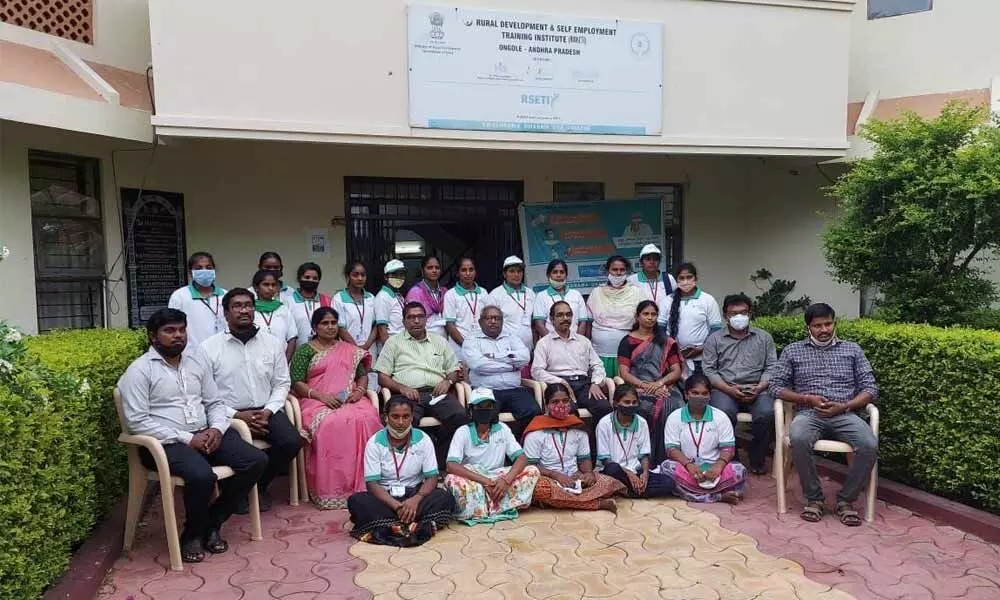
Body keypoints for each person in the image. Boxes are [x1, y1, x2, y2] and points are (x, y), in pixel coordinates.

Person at [118, 308, 267, 563]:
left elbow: (215, 402)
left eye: (181, 330)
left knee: (255, 460)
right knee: (201, 476)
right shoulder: (139, 371)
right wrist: (187, 439)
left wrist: (217, 429)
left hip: (205, 434)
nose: (178, 336)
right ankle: (193, 535)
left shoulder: (196, 363)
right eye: (169, 331)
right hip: (164, 443)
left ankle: (212, 522)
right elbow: (136, 421)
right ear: (153, 337)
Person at [768, 303, 878, 527]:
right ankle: (814, 499)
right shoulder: (793, 350)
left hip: (844, 412)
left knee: (869, 444)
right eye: (817, 326)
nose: (824, 329)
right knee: (798, 438)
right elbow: (775, 387)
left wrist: (845, 406)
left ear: (834, 323)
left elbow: (870, 388)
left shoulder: (852, 350)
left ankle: (846, 500)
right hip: (809, 413)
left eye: (828, 323)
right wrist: (806, 399)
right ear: (809, 328)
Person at [197, 288, 301, 512]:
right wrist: (236, 415)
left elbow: (282, 383)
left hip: (266, 411)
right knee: (234, 452)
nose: (244, 310)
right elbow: (204, 394)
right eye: (237, 306)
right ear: (225, 313)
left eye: (248, 305)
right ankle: (235, 490)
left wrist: (269, 411)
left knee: (291, 441)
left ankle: (259, 486)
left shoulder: (272, 344)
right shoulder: (208, 348)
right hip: (227, 415)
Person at [289, 307, 382, 509]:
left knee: (369, 418)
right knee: (332, 423)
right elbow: (296, 382)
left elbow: (362, 374)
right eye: (325, 323)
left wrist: (359, 391)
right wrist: (321, 396)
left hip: (349, 397)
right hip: (315, 400)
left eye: (333, 323)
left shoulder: (347, 349)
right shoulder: (305, 350)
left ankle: (372, 484)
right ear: (315, 327)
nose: (330, 327)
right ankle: (334, 490)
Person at [348, 397, 455, 547]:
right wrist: (397, 506)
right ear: (386, 417)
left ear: (412, 417)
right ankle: (413, 522)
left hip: (414, 495)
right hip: (386, 498)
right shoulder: (374, 443)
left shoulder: (423, 439)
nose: (400, 422)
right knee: (357, 501)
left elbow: (432, 478)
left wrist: (416, 500)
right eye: (395, 416)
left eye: (406, 417)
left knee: (444, 497)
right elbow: (372, 484)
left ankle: (392, 524)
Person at [374, 301, 467, 465]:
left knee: (460, 417)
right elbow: (382, 377)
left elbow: (453, 369)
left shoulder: (440, 341)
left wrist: (448, 380)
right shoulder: (393, 343)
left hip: (437, 393)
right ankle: (412, 466)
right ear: (404, 322)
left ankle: (441, 459)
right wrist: (402, 388)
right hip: (407, 395)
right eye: (411, 317)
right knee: (403, 422)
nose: (416, 321)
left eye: (420, 316)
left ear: (426, 320)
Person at [702, 293, 777, 474]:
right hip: (725, 389)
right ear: (725, 316)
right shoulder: (714, 339)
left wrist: (760, 386)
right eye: (733, 313)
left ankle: (757, 456)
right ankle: (730, 456)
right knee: (723, 412)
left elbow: (772, 366)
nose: (739, 317)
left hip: (758, 388)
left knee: (767, 413)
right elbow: (709, 369)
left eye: (743, 312)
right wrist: (728, 388)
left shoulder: (764, 338)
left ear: (750, 313)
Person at [444, 388, 540, 525]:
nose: (484, 410)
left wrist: (507, 480)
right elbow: (451, 465)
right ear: (471, 409)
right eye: (479, 406)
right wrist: (485, 481)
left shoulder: (503, 429)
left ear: (494, 409)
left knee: (532, 471)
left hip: (499, 479)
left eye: (488, 406)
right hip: (475, 479)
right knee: (452, 480)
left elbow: (521, 458)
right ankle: (500, 506)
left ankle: (484, 507)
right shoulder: (462, 432)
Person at [523, 384, 624, 512]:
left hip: (575, 479)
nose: (561, 405)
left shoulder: (578, 429)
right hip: (549, 479)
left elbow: (584, 460)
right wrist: (557, 476)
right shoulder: (536, 432)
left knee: (609, 482)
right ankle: (596, 504)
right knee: (540, 489)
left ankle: (560, 501)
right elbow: (531, 466)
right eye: (555, 402)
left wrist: (587, 474)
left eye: (565, 401)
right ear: (547, 405)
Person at [660, 373, 748, 504]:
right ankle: (718, 496)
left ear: (710, 395)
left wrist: (718, 466)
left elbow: (728, 448)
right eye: (694, 393)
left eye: (704, 393)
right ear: (686, 394)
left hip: (714, 469)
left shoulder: (720, 417)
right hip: (687, 468)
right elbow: (671, 449)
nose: (700, 397)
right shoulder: (675, 417)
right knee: (666, 468)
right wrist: (689, 465)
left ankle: (693, 493)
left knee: (739, 470)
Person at [617, 300, 684, 464]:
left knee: (675, 407)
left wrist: (659, 383)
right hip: (637, 388)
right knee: (643, 407)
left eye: (653, 314)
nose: (650, 318)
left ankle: (667, 459)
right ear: (637, 317)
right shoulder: (627, 341)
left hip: (665, 386)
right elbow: (624, 373)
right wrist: (646, 386)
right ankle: (642, 458)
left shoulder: (665, 341)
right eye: (646, 314)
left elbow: (676, 370)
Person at [463, 305, 541, 439]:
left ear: (502, 321)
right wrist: (511, 365)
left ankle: (518, 447)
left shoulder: (511, 337)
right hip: (486, 390)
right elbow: (479, 365)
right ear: (481, 322)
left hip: (514, 389)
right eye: (489, 318)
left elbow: (525, 357)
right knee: (485, 416)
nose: (493, 321)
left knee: (533, 411)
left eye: (497, 318)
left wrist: (492, 357)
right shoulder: (471, 340)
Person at [531, 301, 611, 426]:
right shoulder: (544, 343)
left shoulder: (583, 341)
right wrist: (560, 382)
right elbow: (536, 371)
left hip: (584, 385)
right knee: (566, 411)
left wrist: (595, 383)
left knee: (604, 407)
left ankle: (594, 444)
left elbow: (597, 365)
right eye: (560, 315)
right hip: (559, 386)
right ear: (552, 319)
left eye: (568, 315)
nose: (565, 318)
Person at [596, 385, 675, 498]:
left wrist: (645, 474)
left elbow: (644, 455)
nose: (631, 406)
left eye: (634, 402)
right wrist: (629, 474)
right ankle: (633, 490)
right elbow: (605, 460)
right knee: (612, 469)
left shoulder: (641, 422)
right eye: (626, 402)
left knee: (669, 483)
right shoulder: (604, 423)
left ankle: (626, 490)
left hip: (635, 470)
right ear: (616, 403)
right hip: (616, 472)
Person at [587, 255, 645, 378]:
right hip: (600, 353)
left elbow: (644, 322)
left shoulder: (637, 292)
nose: (618, 273)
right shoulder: (596, 292)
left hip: (629, 353)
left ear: (627, 271)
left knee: (625, 391)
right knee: (603, 389)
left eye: (622, 270)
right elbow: (588, 322)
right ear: (608, 271)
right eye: (614, 269)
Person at [665, 263, 722, 374]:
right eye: (681, 278)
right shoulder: (667, 301)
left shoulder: (707, 300)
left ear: (695, 278)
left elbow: (716, 328)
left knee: (699, 389)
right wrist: (672, 351)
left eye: (689, 277)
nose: (685, 281)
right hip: (674, 360)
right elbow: (661, 329)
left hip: (701, 359)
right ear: (676, 280)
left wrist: (703, 347)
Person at [168, 252, 228, 350]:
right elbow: (172, 326)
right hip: (192, 354)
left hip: (223, 352)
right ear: (190, 272)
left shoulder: (225, 295)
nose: (204, 271)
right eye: (198, 268)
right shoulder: (179, 296)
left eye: (208, 267)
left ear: (214, 270)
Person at [333, 261, 377, 389]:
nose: (360, 278)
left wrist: (367, 345)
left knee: (371, 385)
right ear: (348, 277)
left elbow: (376, 325)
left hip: (369, 348)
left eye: (363, 275)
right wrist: (356, 348)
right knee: (350, 385)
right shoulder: (339, 298)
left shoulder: (371, 298)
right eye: (355, 274)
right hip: (348, 348)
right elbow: (340, 327)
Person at [531, 259, 590, 340]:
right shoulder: (541, 296)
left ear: (566, 275)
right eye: (555, 272)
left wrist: (576, 342)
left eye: (562, 272)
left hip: (575, 344)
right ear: (548, 275)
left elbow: (583, 322)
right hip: (551, 345)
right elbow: (539, 325)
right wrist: (553, 343)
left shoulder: (576, 295)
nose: (558, 275)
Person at [443, 257, 488, 360]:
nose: (468, 273)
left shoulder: (483, 292)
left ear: (475, 272)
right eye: (464, 270)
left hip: (482, 347)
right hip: (460, 348)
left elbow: (488, 320)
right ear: (457, 273)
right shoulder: (451, 294)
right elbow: (450, 325)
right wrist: (467, 346)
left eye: (471, 269)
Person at [488, 256, 536, 351]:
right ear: (504, 274)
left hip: (528, 350)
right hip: (505, 351)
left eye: (519, 271)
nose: (516, 274)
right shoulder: (495, 295)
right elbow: (490, 325)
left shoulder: (530, 293)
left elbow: (534, 325)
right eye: (512, 271)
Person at [251, 269, 298, 361]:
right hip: (256, 362)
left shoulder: (283, 309)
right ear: (256, 287)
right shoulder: (250, 310)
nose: (271, 288)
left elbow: (292, 338)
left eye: (273, 285)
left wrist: (285, 362)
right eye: (266, 284)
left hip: (281, 361)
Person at [289, 262, 332, 347]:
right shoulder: (288, 301)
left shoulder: (327, 301)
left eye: (315, 278)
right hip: (296, 353)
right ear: (299, 278)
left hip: (323, 352)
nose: (311, 280)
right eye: (307, 277)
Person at [628, 244, 676, 320]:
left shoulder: (668, 279)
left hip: (664, 323)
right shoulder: (632, 280)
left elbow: (676, 300)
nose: (652, 262)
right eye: (648, 259)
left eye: (655, 259)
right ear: (641, 262)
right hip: (642, 324)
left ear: (660, 262)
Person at [405, 256, 448, 338]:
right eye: (430, 268)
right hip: (422, 338)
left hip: (443, 339)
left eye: (437, 268)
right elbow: (411, 320)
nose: (434, 270)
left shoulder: (444, 291)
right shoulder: (415, 292)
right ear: (422, 271)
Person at [375, 259, 407, 345]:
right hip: (392, 345)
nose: (398, 277)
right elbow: (382, 329)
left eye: (401, 274)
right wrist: (389, 352)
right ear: (386, 277)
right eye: (394, 274)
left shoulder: (398, 295)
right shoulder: (383, 297)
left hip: (402, 342)